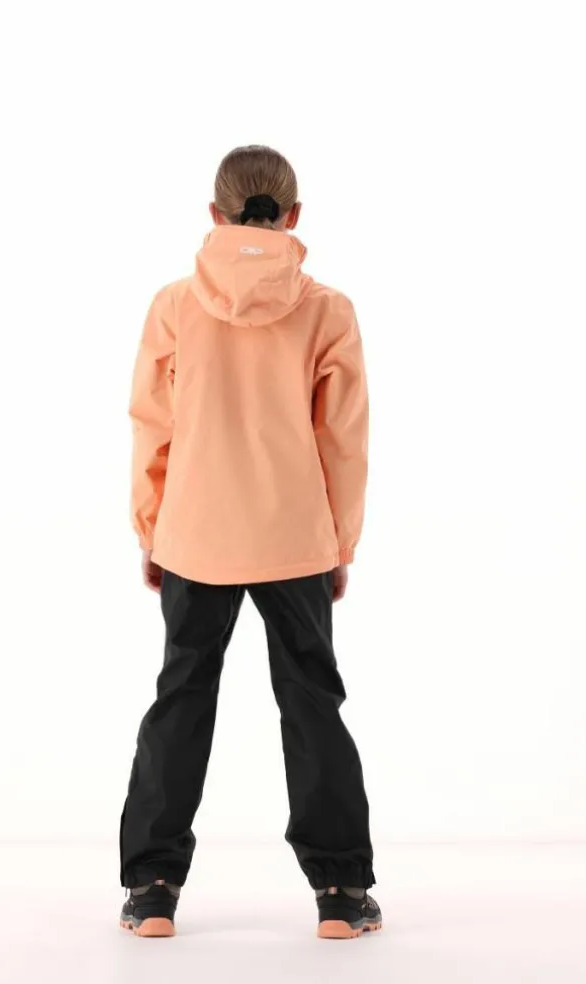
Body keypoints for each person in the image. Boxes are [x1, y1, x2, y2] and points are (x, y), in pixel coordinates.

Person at [118, 145, 380, 940]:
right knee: (311, 701)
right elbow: (343, 442)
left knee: (181, 696)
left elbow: (153, 427)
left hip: (195, 533)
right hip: (294, 537)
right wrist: (340, 543)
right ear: (293, 215)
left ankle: (153, 890)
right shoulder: (327, 310)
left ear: (215, 213)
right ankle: (340, 895)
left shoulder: (175, 306)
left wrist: (151, 528)